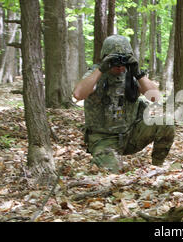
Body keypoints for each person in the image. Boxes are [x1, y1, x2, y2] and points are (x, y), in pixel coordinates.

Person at [73, 35, 175, 173]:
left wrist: (138, 73)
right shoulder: (96, 74)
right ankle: (104, 159)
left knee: (166, 122)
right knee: (112, 174)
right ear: (105, 57)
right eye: (114, 59)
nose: (119, 65)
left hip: (131, 135)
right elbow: (78, 94)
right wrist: (101, 69)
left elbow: (155, 97)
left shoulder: (132, 74)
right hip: (104, 139)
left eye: (123, 59)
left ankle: (157, 167)